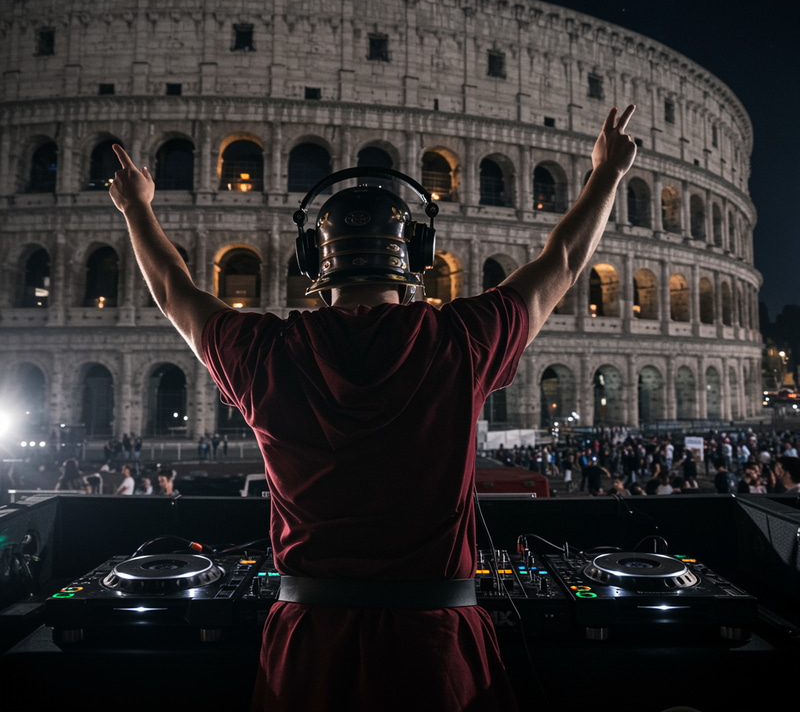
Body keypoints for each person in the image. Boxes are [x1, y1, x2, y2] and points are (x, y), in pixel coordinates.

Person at [109, 105, 636, 711]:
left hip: (307, 645)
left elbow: (175, 289)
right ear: (416, 254)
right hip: (436, 647)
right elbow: (565, 261)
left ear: (313, 262)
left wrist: (136, 208)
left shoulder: (265, 352)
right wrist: (607, 174)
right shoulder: (460, 339)